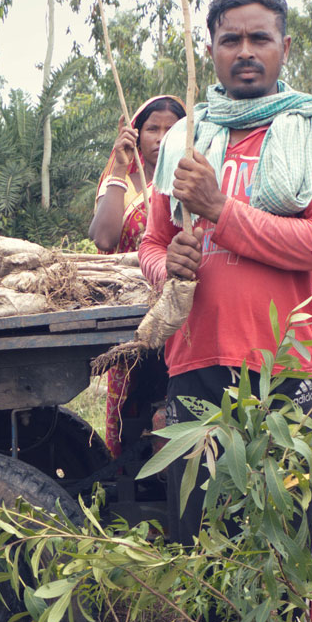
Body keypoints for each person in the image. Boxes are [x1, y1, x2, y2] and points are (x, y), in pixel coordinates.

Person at [138, 0, 312, 622]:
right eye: (231, 39)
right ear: (212, 50)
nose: (246, 51)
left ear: (285, 48)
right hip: (195, 364)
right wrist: (164, 264)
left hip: (281, 366)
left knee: (286, 537)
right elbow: (150, 244)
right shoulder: (186, 138)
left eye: (261, 38)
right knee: (204, 540)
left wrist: (221, 212)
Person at [88, 94, 185, 457]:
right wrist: (118, 167)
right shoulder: (123, 184)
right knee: (136, 414)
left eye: (172, 129)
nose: (161, 138)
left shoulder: (191, 181)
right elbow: (103, 238)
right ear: (136, 135)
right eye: (152, 129)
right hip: (132, 316)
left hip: (183, 311)